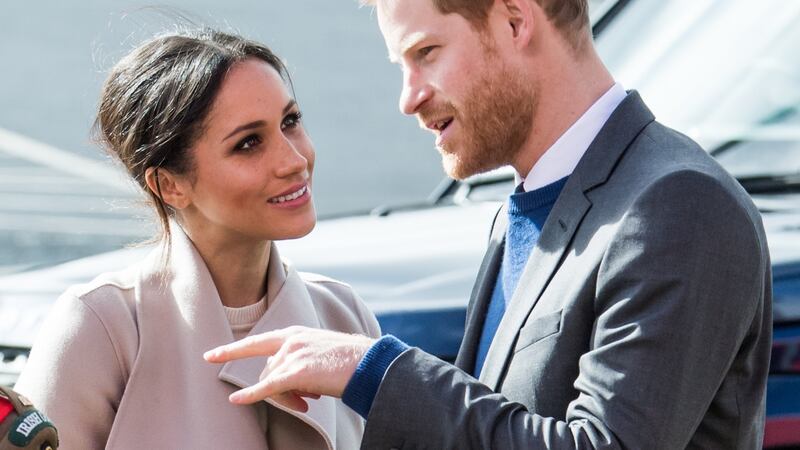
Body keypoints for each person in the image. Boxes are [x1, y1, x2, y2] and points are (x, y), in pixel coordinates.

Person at [206, 0, 773, 448]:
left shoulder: (676, 203)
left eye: (426, 52)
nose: (408, 97)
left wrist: (374, 370)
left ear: (513, 20)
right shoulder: (521, 208)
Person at [14, 28, 380, 450]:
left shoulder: (344, 315)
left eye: (290, 122)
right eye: (248, 144)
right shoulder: (101, 327)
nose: (295, 160)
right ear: (169, 185)